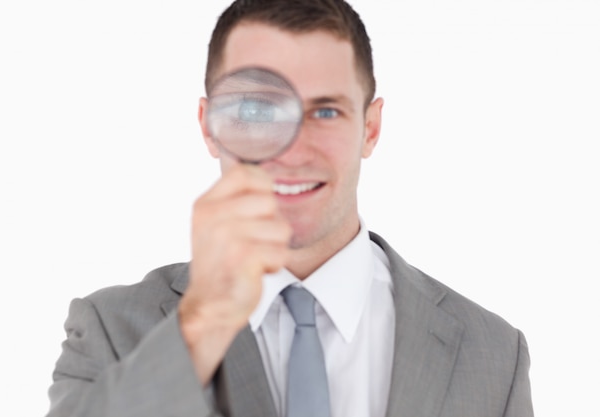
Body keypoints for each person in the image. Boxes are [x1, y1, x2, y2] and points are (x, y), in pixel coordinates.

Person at [46, 1, 534, 416]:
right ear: (209, 128)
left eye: (325, 111)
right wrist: (201, 324)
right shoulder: (110, 328)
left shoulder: (492, 354)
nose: (293, 150)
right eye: (257, 110)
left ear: (370, 128)